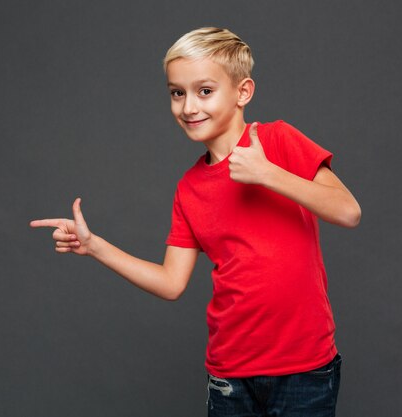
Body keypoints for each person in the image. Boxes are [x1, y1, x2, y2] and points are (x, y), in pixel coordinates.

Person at [30, 27, 361, 417]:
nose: (188, 107)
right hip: (230, 375)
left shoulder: (277, 140)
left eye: (204, 91)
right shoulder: (190, 188)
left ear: (243, 92)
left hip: (304, 369)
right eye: (177, 92)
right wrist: (95, 247)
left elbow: (348, 211)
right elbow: (172, 283)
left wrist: (267, 174)